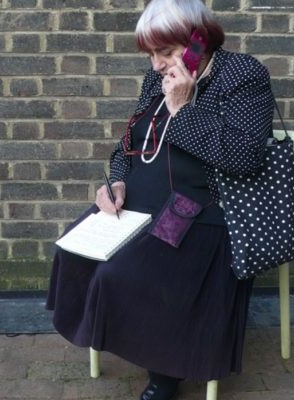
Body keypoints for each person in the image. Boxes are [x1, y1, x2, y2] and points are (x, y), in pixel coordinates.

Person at [46, 0, 275, 399]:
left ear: (197, 43)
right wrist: (116, 182)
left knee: (126, 276)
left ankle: (165, 373)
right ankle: (128, 335)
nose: (155, 65)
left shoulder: (243, 75)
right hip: (138, 203)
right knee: (75, 253)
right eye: (150, 54)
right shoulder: (157, 79)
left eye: (165, 53)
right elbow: (127, 145)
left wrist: (183, 108)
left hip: (200, 211)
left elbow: (245, 157)